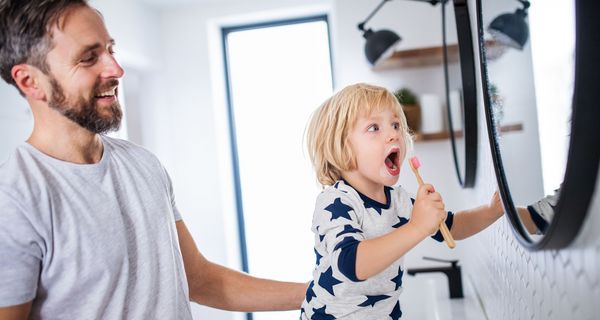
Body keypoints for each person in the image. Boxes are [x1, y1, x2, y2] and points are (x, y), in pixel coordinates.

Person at [0, 1, 306, 319]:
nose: (116, 69)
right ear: (30, 81)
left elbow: (198, 279)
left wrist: (318, 294)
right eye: (89, 58)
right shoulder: (14, 201)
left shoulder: (142, 164)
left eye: (110, 50)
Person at [300, 83, 504, 319]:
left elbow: (452, 226)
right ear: (344, 148)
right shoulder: (336, 202)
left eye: (396, 125)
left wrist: (491, 211)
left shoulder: (399, 200)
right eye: (374, 127)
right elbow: (351, 263)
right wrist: (417, 226)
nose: (393, 134)